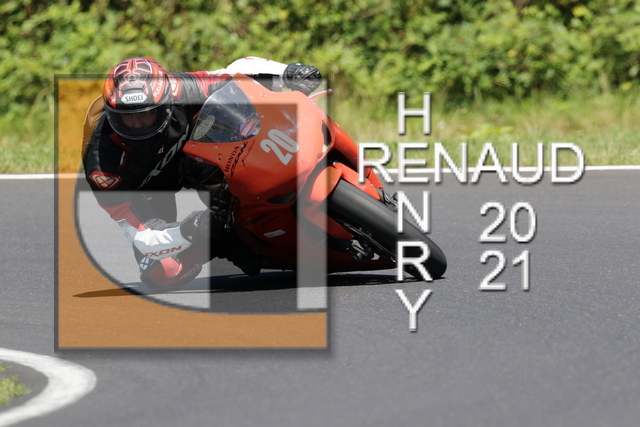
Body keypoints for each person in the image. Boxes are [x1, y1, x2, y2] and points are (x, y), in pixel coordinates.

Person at [82, 56, 322, 289]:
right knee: (163, 274)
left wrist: (287, 72)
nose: (138, 125)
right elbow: (143, 237)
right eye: (128, 116)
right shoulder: (102, 167)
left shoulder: (178, 88)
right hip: (149, 190)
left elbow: (235, 72)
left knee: (238, 103)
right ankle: (220, 241)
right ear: (113, 114)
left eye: (146, 113)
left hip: (199, 151)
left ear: (165, 103)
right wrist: (192, 229)